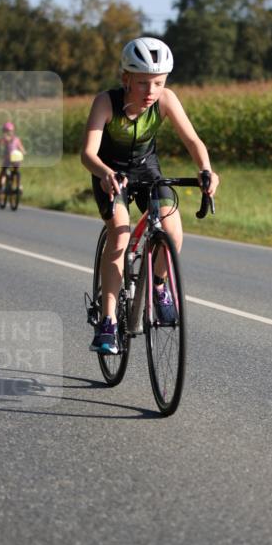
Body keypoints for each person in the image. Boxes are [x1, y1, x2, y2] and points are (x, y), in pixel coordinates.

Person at [80, 37, 219, 354]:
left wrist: (206, 170)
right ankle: (108, 322)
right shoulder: (106, 102)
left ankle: (158, 285)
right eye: (143, 82)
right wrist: (105, 174)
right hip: (110, 172)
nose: (151, 91)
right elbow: (88, 153)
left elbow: (193, 141)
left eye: (158, 82)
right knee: (120, 234)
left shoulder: (166, 100)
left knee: (172, 230)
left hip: (146, 169)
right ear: (126, 78)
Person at [0, 122, 25, 191]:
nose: (8, 133)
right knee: (5, 171)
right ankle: (2, 186)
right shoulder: (6, 139)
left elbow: (20, 146)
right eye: (6, 131)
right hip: (9, 159)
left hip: (14, 159)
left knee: (13, 172)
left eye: (9, 131)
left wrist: (23, 151)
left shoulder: (15, 139)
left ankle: (17, 186)